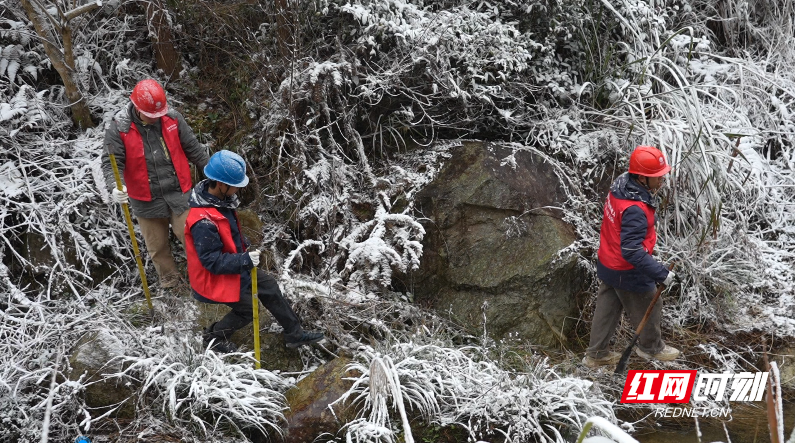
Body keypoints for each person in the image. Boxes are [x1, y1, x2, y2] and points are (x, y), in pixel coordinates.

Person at [185, 150, 325, 352]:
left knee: (269, 286)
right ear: (221, 184)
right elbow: (212, 261)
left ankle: (294, 334)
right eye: (235, 186)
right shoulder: (203, 221)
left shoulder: (219, 201)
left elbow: (225, 234)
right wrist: (243, 259)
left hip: (235, 264)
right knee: (248, 310)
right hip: (215, 275)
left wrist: (240, 243)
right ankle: (213, 338)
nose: (238, 190)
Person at [102, 79, 208, 290]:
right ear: (138, 108)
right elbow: (111, 162)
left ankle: (203, 279)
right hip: (145, 199)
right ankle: (171, 283)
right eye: (151, 115)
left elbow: (194, 149)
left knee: (191, 237)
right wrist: (115, 185)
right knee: (157, 246)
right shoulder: (119, 127)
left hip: (179, 193)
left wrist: (213, 173)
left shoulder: (172, 119)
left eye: (158, 114)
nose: (156, 118)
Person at [583, 145, 680, 368]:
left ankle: (596, 354)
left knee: (607, 307)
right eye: (656, 177)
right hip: (627, 268)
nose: (661, 181)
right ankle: (651, 348)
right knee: (650, 303)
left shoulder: (619, 189)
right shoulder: (635, 207)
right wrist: (661, 273)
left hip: (608, 260)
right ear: (640, 177)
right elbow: (632, 251)